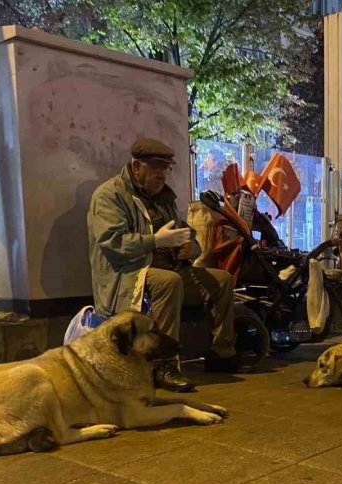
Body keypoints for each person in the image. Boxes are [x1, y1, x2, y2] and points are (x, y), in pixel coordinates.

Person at [87, 138, 237, 393]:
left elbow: (186, 232)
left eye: (165, 169)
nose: (161, 175)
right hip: (128, 276)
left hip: (168, 269)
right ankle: (163, 366)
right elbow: (113, 243)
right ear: (136, 167)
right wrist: (155, 241)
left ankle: (221, 352)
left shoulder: (163, 199)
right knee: (169, 282)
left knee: (221, 280)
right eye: (155, 169)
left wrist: (192, 247)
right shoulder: (110, 196)